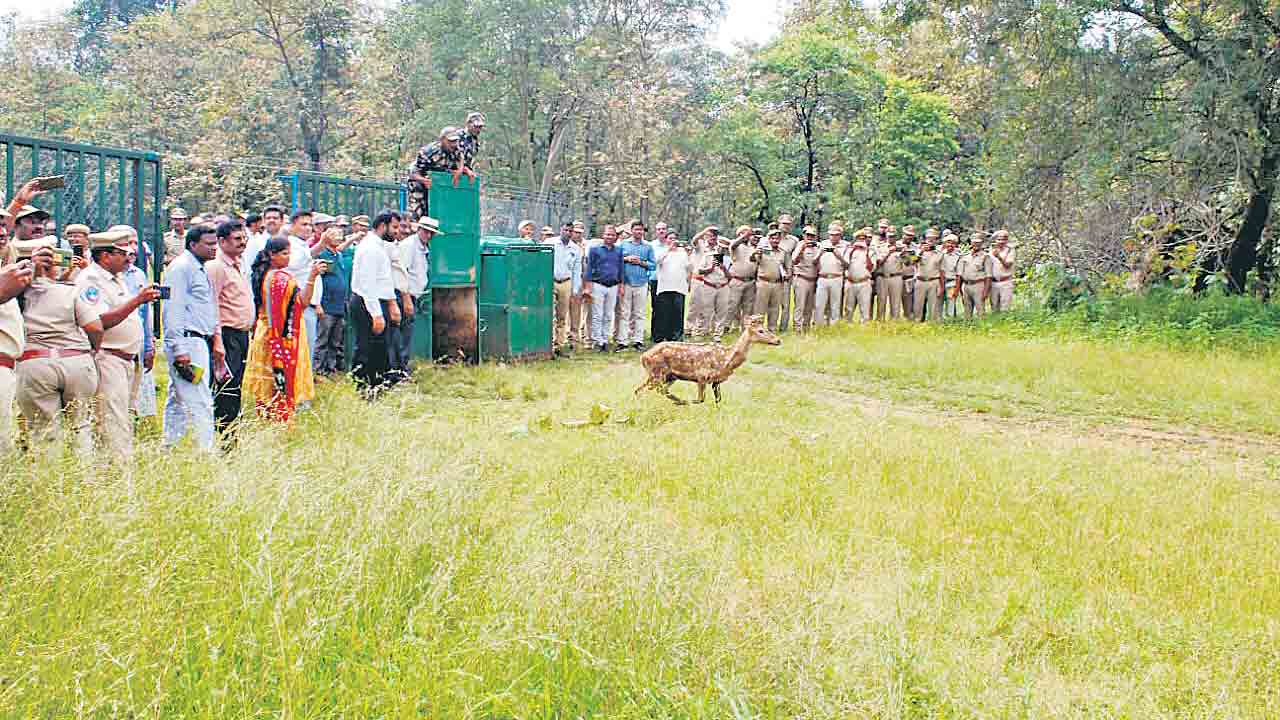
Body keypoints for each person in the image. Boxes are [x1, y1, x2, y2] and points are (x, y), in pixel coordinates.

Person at [13, 237, 104, 453]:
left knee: (43, 432)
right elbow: (95, 327)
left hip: (35, 362)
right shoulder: (68, 291)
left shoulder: (12, 296)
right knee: (80, 427)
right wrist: (92, 350)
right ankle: (84, 481)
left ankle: (48, 480)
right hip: (76, 360)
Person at [77, 230, 160, 457]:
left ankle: (117, 472)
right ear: (105, 256)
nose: (129, 257)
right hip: (107, 357)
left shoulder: (117, 278)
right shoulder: (90, 281)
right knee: (111, 422)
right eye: (122, 253)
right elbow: (98, 321)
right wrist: (137, 301)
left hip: (126, 359)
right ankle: (117, 477)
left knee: (123, 417)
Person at [244, 238, 322, 422]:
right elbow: (300, 303)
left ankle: (268, 419)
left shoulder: (268, 275)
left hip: (267, 332)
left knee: (269, 380)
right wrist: (312, 276)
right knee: (278, 377)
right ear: (272, 255)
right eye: (285, 253)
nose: (288, 258)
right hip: (279, 334)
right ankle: (281, 420)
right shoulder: (279, 279)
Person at [162, 225, 219, 451]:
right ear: (193, 244)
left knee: (178, 398)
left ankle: (170, 446)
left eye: (215, 244)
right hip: (188, 341)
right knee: (200, 399)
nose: (214, 248)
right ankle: (206, 452)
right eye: (209, 244)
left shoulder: (199, 268)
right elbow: (172, 309)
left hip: (198, 339)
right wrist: (179, 348)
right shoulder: (181, 268)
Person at [205, 220, 255, 436]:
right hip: (226, 334)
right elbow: (212, 304)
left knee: (236, 385)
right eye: (237, 239)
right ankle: (224, 434)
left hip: (241, 334)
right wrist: (218, 341)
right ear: (222, 241)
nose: (242, 243)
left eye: (244, 238)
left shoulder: (240, 263)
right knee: (226, 386)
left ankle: (232, 431)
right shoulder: (217, 267)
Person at [349, 209, 401, 393]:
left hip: (375, 302)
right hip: (367, 303)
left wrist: (391, 303)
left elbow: (384, 280)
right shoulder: (370, 248)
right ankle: (362, 387)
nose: (397, 231)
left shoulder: (379, 246)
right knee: (366, 346)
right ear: (382, 226)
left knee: (379, 347)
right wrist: (376, 314)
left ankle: (376, 385)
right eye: (394, 227)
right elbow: (368, 284)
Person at [282, 210, 323, 365]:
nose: (308, 228)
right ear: (292, 226)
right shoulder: (290, 245)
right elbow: (294, 264)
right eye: (303, 224)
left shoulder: (302, 245)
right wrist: (322, 244)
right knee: (299, 351)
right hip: (298, 304)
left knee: (307, 349)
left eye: (310, 225)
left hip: (309, 304)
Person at [397, 216, 435, 370]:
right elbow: (401, 273)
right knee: (402, 334)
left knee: (406, 333)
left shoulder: (422, 247)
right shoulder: (409, 246)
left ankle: (402, 366)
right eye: (426, 231)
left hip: (413, 296)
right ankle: (399, 369)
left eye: (431, 233)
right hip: (405, 295)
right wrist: (406, 299)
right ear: (418, 229)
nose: (429, 235)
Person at [313, 227, 351, 376]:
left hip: (339, 305)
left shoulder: (339, 255)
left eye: (340, 234)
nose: (338, 237)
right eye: (334, 234)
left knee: (335, 341)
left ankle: (330, 368)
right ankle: (317, 370)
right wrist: (317, 303)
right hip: (326, 305)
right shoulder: (322, 255)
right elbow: (317, 278)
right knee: (322, 339)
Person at [407, 127, 464, 221]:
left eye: (455, 141)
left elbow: (461, 156)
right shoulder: (428, 152)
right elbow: (413, 173)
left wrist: (460, 170)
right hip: (418, 180)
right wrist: (424, 180)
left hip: (437, 179)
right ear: (442, 140)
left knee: (438, 212)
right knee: (418, 212)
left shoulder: (456, 147)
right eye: (450, 141)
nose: (454, 144)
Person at [584, 224, 624, 352]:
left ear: (615, 237)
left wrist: (621, 285)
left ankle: (605, 340)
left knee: (608, 315)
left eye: (612, 235)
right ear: (603, 235)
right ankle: (597, 341)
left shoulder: (619, 251)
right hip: (598, 285)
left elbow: (621, 269)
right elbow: (589, 268)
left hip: (613, 286)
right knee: (597, 314)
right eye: (607, 234)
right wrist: (588, 286)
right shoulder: (595, 250)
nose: (609, 237)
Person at [617, 220, 655, 351]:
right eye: (636, 229)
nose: (638, 232)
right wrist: (627, 259)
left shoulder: (648, 246)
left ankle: (638, 340)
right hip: (626, 282)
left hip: (642, 283)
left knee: (639, 313)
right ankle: (623, 341)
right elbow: (617, 259)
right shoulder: (624, 244)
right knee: (624, 313)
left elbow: (653, 265)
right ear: (631, 230)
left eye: (641, 230)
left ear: (643, 231)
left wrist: (641, 262)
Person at [547, 218, 583, 354]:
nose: (567, 233)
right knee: (550, 313)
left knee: (562, 315)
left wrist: (575, 289)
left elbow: (577, 270)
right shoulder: (549, 243)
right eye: (565, 230)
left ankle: (559, 344)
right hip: (550, 281)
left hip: (566, 282)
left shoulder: (576, 249)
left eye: (570, 231)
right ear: (560, 229)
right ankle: (548, 343)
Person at [652, 231, 691, 343]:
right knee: (664, 313)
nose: (672, 241)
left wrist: (689, 255)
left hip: (679, 287)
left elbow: (689, 267)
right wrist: (668, 250)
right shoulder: (662, 251)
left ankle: (676, 336)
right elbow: (657, 261)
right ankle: (661, 336)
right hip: (664, 287)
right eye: (670, 238)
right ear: (666, 240)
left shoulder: (682, 253)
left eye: (674, 238)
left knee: (677, 313)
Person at [751, 226, 789, 331]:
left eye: (777, 238)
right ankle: (757, 330)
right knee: (760, 308)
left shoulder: (783, 252)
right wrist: (755, 252)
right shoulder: (763, 250)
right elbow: (753, 260)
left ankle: (772, 329)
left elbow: (787, 267)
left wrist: (787, 275)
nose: (775, 240)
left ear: (780, 240)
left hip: (777, 284)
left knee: (774, 308)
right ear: (769, 239)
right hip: (764, 282)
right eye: (773, 238)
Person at [814, 224, 849, 326]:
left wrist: (838, 255)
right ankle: (819, 326)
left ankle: (834, 327)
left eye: (836, 235)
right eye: (831, 235)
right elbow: (814, 262)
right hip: (822, 278)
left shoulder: (845, 245)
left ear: (840, 235)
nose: (834, 237)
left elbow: (847, 265)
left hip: (836, 277)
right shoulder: (822, 244)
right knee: (819, 305)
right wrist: (820, 252)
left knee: (835, 305)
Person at [726, 225, 758, 333]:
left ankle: (745, 329)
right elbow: (733, 244)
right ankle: (725, 327)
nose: (747, 236)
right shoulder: (735, 246)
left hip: (750, 281)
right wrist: (744, 235)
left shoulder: (752, 248)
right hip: (737, 280)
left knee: (748, 307)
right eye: (743, 233)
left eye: (748, 234)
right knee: (732, 306)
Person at [791, 225, 820, 332]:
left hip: (813, 280)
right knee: (800, 306)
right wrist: (803, 248)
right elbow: (794, 261)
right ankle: (797, 329)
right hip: (801, 278)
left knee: (809, 307)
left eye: (812, 235)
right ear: (804, 235)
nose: (810, 238)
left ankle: (806, 328)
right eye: (808, 235)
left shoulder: (818, 247)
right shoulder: (800, 245)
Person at [912, 228, 945, 322]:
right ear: (925, 239)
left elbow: (942, 271)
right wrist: (921, 252)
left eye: (933, 238)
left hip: (934, 281)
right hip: (920, 281)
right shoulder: (917, 251)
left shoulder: (940, 254)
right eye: (929, 238)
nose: (931, 240)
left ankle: (933, 323)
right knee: (918, 305)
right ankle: (917, 322)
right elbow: (911, 261)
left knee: (934, 305)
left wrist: (942, 287)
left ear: (936, 240)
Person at [843, 228, 875, 322]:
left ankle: (864, 328)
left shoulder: (870, 251)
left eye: (863, 238)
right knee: (848, 308)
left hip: (864, 282)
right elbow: (845, 264)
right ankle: (847, 325)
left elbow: (872, 267)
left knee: (865, 308)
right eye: (859, 238)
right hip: (850, 282)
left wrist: (866, 252)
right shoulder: (849, 250)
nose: (861, 240)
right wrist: (852, 250)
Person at [957, 233, 992, 319]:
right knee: (967, 310)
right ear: (971, 243)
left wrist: (986, 291)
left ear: (982, 243)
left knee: (980, 310)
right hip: (966, 286)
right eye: (974, 242)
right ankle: (968, 328)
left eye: (979, 242)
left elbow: (989, 276)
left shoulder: (985, 257)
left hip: (978, 285)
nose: (976, 244)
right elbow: (960, 274)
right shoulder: (965, 256)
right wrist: (959, 290)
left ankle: (983, 328)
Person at [775, 214, 799, 331]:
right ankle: (770, 326)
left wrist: (790, 272)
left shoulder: (794, 241)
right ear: (779, 223)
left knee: (785, 303)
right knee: (772, 303)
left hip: (787, 275)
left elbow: (794, 258)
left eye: (789, 224)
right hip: (772, 273)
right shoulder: (771, 237)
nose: (786, 226)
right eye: (784, 223)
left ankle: (783, 327)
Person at [877, 228, 906, 320]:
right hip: (883, 276)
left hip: (896, 276)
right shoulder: (880, 247)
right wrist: (889, 252)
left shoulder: (901, 247)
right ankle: (880, 321)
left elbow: (910, 262)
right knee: (881, 301)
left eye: (893, 236)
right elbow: (879, 263)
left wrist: (904, 254)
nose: (891, 238)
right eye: (889, 236)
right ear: (886, 236)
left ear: (896, 237)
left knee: (896, 302)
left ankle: (895, 321)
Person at [989, 230, 1016, 312]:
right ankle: (996, 323)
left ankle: (1005, 323)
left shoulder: (1010, 250)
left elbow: (1008, 265)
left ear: (1007, 240)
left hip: (1005, 282)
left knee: (1005, 307)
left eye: (1004, 239)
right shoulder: (991, 251)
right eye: (999, 239)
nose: (1001, 241)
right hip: (993, 282)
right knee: (994, 307)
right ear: (995, 240)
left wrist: (999, 257)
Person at [940, 232, 962, 319]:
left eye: (953, 243)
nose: (950, 245)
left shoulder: (958, 256)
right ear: (944, 243)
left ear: (956, 244)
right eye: (948, 242)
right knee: (939, 303)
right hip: (940, 282)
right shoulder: (940, 254)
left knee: (951, 303)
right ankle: (940, 321)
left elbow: (958, 274)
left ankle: (950, 321)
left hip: (952, 283)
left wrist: (957, 288)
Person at [459, 111, 485, 177]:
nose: (478, 129)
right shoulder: (458, 137)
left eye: (480, 127)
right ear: (468, 124)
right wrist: (465, 169)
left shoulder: (474, 140)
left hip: (465, 175)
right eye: (476, 126)